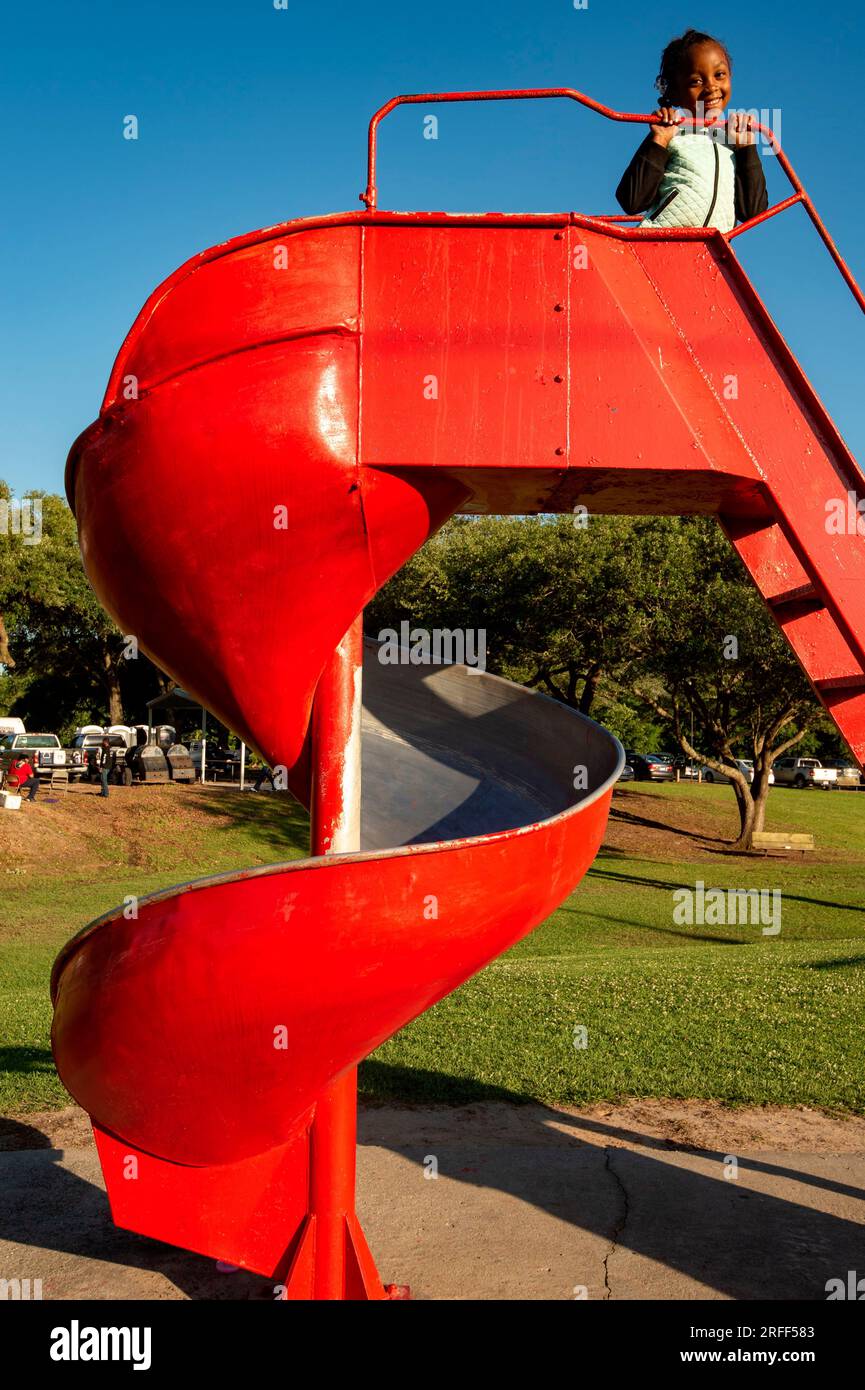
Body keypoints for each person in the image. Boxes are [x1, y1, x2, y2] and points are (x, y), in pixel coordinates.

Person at [616, 29, 768, 231]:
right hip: (659, 244)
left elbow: (753, 212)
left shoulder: (733, 140)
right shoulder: (672, 131)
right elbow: (631, 201)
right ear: (675, 92)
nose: (711, 86)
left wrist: (746, 147)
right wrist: (659, 141)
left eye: (719, 75)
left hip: (711, 253)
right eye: (696, 81)